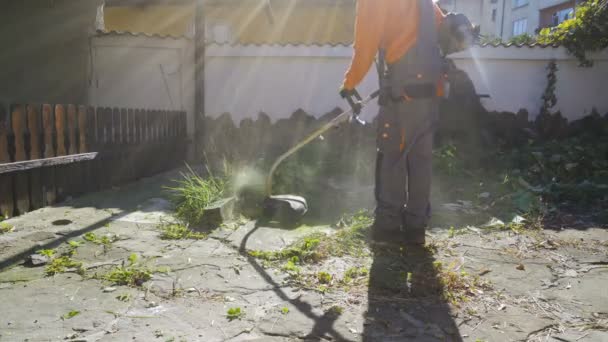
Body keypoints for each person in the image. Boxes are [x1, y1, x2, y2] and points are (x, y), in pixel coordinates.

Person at [340, 0, 447, 246]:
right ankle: (416, 228)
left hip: (403, 86)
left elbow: (365, 46)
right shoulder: (427, 3)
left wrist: (348, 84)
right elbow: (441, 29)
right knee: (420, 158)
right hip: (431, 88)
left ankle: (388, 227)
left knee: (393, 153)